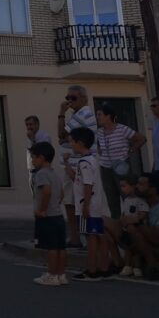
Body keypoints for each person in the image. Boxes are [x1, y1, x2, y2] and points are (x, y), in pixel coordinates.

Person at [69, 127, 109, 281]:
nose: (71, 145)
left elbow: (88, 184)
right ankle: (104, 268)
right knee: (99, 235)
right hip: (96, 205)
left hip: (88, 205)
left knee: (91, 236)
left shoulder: (84, 162)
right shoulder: (93, 159)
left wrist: (85, 205)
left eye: (72, 142)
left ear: (80, 143)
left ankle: (92, 269)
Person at [57, 86, 95, 248]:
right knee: (73, 203)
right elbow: (64, 137)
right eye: (68, 98)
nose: (69, 101)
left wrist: (61, 113)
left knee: (78, 204)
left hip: (76, 166)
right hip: (73, 165)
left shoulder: (82, 114)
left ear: (84, 98)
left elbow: (61, 134)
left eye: (73, 98)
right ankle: (81, 238)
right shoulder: (78, 115)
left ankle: (82, 238)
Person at [94, 104, 145, 219]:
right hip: (105, 168)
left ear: (108, 116)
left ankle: (132, 220)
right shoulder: (99, 132)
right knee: (111, 197)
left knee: (126, 194)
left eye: (100, 115)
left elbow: (141, 139)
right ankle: (116, 222)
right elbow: (98, 146)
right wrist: (102, 154)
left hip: (121, 167)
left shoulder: (122, 129)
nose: (97, 117)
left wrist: (131, 150)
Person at [125, 172, 159, 277]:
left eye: (141, 184)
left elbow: (157, 238)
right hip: (144, 245)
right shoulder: (139, 202)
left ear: (153, 189)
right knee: (107, 224)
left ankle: (152, 266)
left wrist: (137, 222)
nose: (137, 187)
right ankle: (123, 264)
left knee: (133, 229)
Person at [29, 142, 67, 286]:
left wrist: (42, 210)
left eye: (33, 157)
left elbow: (46, 191)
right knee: (60, 247)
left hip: (48, 216)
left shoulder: (41, 174)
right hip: (58, 215)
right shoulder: (54, 174)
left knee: (51, 248)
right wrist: (55, 205)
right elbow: (61, 193)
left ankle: (51, 275)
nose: (32, 161)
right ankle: (61, 274)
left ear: (41, 157)